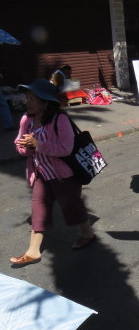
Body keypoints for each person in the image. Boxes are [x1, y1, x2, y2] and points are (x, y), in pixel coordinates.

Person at [10, 79, 96, 267]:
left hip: (64, 175)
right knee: (38, 208)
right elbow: (20, 145)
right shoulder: (27, 120)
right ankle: (33, 251)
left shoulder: (60, 119)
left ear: (45, 102)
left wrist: (38, 145)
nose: (27, 101)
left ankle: (87, 233)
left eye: (32, 98)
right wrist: (26, 147)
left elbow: (66, 148)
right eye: (27, 97)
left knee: (72, 207)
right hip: (40, 172)